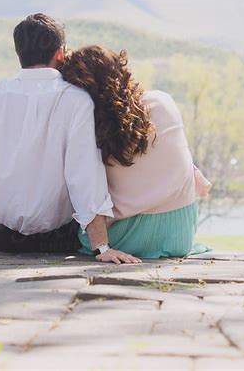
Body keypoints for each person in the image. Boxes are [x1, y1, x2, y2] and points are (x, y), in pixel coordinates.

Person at [0, 14, 141, 264]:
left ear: (19, 53)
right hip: (62, 238)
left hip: (1, 237)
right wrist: (102, 248)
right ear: (60, 54)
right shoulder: (77, 100)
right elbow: (84, 177)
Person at [60, 45, 212, 258]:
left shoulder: (91, 127)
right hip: (180, 232)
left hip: (125, 238)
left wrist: (101, 246)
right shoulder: (163, 100)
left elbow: (88, 190)